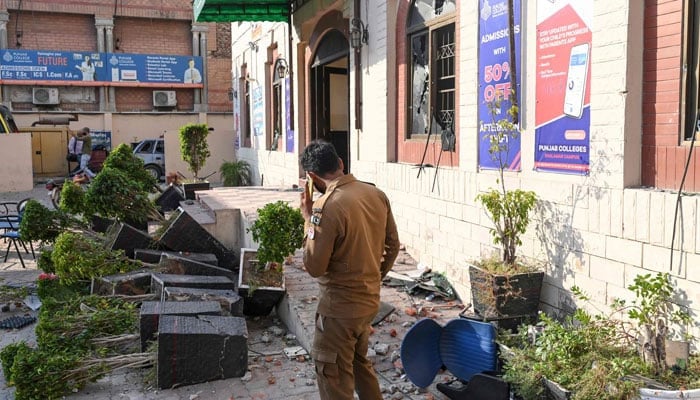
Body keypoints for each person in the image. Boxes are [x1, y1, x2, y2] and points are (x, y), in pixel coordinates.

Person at [299, 141, 400, 400]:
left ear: (311, 177)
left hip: (339, 310)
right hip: (368, 301)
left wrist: (308, 219)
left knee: (332, 374)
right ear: (341, 163)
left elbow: (313, 266)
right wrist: (374, 276)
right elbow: (393, 245)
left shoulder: (326, 206)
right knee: (358, 363)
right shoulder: (374, 194)